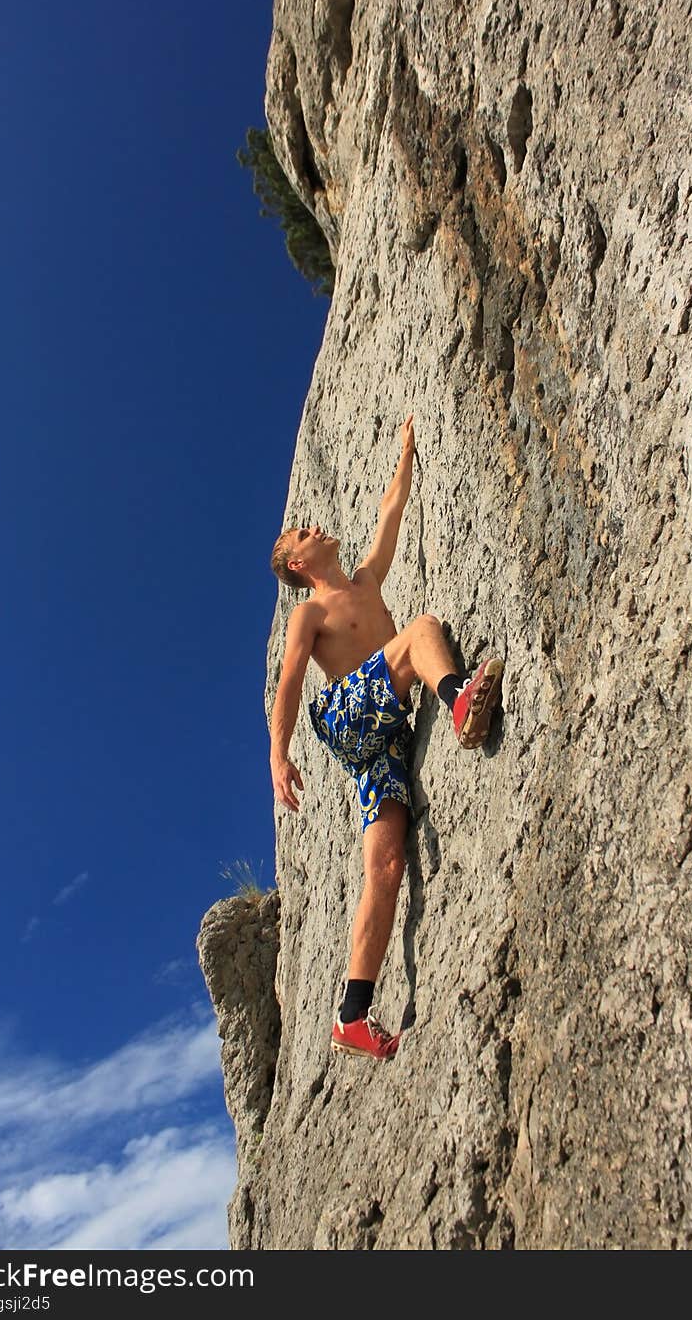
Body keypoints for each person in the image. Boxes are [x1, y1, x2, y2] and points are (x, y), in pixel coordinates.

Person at [269, 415, 504, 1060]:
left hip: (385, 732)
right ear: (297, 562)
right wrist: (278, 755)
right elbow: (289, 683)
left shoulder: (367, 580)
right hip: (349, 713)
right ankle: (458, 701)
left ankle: (352, 1013)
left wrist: (404, 451)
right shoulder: (310, 612)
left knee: (388, 864)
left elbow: (391, 512)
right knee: (423, 629)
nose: (314, 526)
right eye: (302, 532)